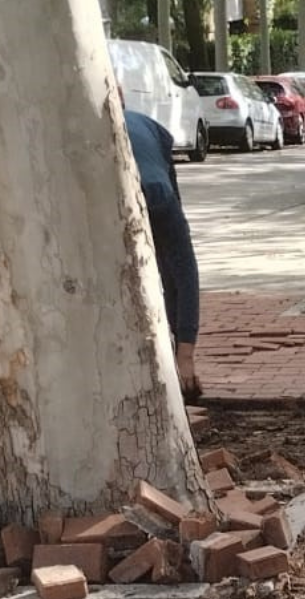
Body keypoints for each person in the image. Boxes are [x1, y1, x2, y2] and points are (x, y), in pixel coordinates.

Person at [124, 109, 202, 398]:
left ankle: (172, 354)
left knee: (170, 269)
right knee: (179, 269)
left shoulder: (92, 125)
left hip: (137, 193)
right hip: (154, 192)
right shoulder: (148, 124)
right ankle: (182, 357)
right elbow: (185, 274)